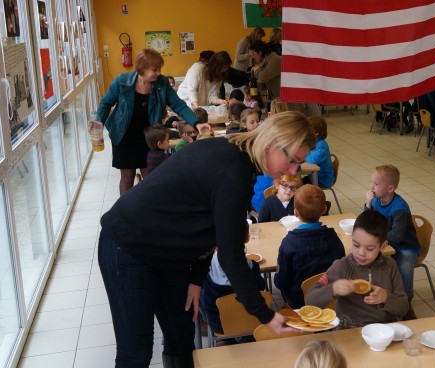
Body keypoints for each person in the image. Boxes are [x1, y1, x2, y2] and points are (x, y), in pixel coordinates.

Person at [98, 111, 315, 368]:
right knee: (136, 351)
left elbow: (211, 228)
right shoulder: (234, 167)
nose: (292, 171)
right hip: (127, 244)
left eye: (298, 164)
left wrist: (196, 278)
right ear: (271, 144)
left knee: (181, 337)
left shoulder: (238, 158)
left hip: (167, 251)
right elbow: (230, 254)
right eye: (292, 161)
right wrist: (265, 314)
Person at [95, 48, 207, 194]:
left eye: (159, 69)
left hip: (149, 136)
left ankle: (148, 210)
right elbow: (105, 103)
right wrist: (99, 122)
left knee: (150, 176)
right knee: (127, 177)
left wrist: (197, 123)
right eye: (155, 69)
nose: (159, 73)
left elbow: (178, 105)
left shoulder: (161, 84)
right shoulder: (122, 82)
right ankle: (126, 211)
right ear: (142, 69)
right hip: (124, 136)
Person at [306, 210, 409, 328]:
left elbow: (403, 308)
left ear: (383, 246)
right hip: (349, 331)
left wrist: (386, 298)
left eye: (369, 249)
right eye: (356, 245)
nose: (361, 253)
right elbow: (310, 301)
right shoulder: (342, 266)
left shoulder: (390, 266)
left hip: (384, 331)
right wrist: (333, 289)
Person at [275, 185, 345, 308]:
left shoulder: (289, 243)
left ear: (295, 212)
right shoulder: (334, 239)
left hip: (299, 302)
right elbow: (341, 270)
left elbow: (281, 282)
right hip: (328, 299)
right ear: (324, 209)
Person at [364, 165, 419, 302]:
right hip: (386, 243)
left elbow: (397, 235)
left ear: (390, 188)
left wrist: (376, 239)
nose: (371, 187)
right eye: (372, 183)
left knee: (404, 266)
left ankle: (406, 299)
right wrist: (368, 205)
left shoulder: (399, 207)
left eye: (376, 184)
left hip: (406, 246)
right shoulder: (377, 201)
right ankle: (381, 294)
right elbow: (368, 222)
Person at [199, 221, 265, 335]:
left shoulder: (206, 268)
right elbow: (261, 287)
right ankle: (247, 337)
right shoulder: (252, 266)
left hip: (219, 324)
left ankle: (224, 340)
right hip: (251, 319)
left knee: (200, 292)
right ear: (247, 237)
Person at [304, 116, 335, 188]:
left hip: (323, 180)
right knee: (298, 181)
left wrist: (303, 154)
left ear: (316, 133)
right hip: (315, 177)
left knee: (299, 186)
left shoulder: (322, 146)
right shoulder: (313, 142)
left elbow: (312, 160)